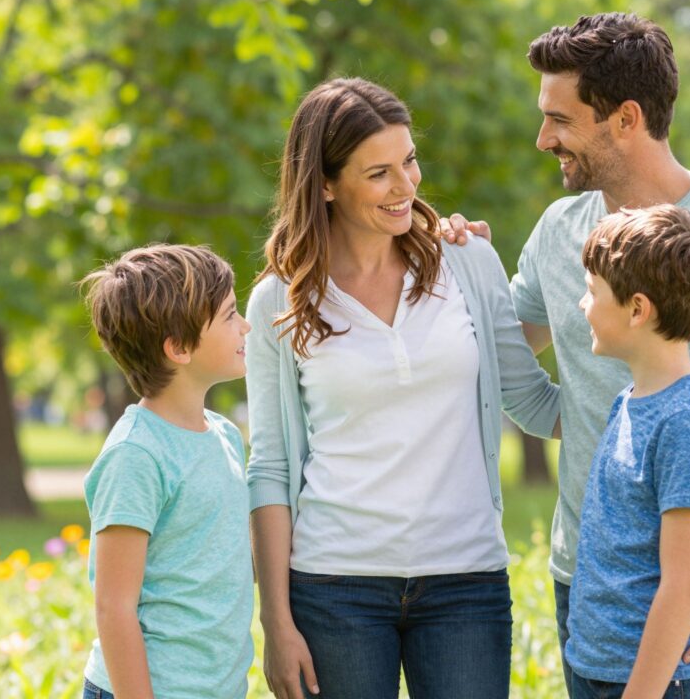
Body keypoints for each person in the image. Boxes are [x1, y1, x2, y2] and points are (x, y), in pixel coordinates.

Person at [444, 12, 690, 698]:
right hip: (584, 586)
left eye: (560, 119)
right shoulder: (559, 233)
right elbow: (494, 359)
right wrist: (463, 266)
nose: (542, 139)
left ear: (625, 118)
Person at [245, 77, 560, 699]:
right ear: (326, 184)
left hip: (466, 578)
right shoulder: (278, 301)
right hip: (334, 586)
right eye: (379, 173)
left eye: (410, 161)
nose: (407, 186)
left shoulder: (466, 262)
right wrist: (275, 623)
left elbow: (528, 396)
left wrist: (647, 387)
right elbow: (271, 468)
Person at [568, 205, 690, 698]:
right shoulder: (631, 400)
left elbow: (684, 584)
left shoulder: (686, 422)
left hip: (664, 685)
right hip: (605, 671)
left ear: (637, 309)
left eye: (592, 291)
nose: (583, 304)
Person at [78, 244, 255, 699]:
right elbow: (113, 607)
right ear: (178, 348)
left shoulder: (223, 435)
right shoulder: (136, 454)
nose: (246, 326)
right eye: (231, 315)